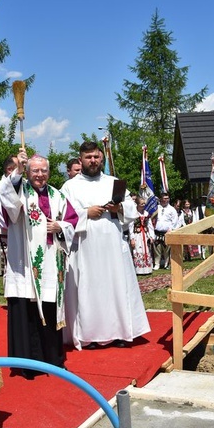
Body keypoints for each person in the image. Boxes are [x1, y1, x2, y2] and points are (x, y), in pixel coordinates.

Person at [0, 150, 78, 377]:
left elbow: (72, 220)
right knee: (26, 311)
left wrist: (60, 226)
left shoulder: (58, 195)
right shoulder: (19, 190)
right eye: (34, 170)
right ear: (28, 172)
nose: (39, 174)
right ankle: (27, 364)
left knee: (49, 311)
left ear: (49, 172)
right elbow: (6, 201)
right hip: (24, 264)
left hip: (51, 262)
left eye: (43, 170)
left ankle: (53, 359)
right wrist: (18, 171)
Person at [62, 141, 151, 349]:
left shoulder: (114, 182)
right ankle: (89, 335)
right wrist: (86, 213)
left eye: (96, 157)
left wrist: (118, 209)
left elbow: (131, 209)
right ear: (80, 159)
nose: (92, 161)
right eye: (88, 157)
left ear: (101, 158)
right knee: (89, 288)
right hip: (85, 246)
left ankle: (120, 332)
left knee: (116, 285)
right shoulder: (69, 187)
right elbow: (63, 217)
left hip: (112, 243)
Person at [129, 196, 155, 275]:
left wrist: (151, 236)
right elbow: (130, 226)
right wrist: (132, 238)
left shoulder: (146, 213)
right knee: (138, 250)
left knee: (146, 250)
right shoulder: (133, 214)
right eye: (141, 204)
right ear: (137, 204)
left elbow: (149, 225)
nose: (143, 205)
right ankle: (139, 269)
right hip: (137, 235)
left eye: (144, 204)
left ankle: (147, 269)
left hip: (145, 234)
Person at [153, 193, 179, 270]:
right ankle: (156, 264)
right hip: (157, 231)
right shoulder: (157, 208)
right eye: (164, 198)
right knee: (157, 249)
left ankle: (166, 264)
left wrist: (170, 230)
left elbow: (175, 221)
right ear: (160, 199)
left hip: (167, 232)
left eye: (167, 198)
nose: (166, 200)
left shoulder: (172, 209)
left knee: (167, 250)